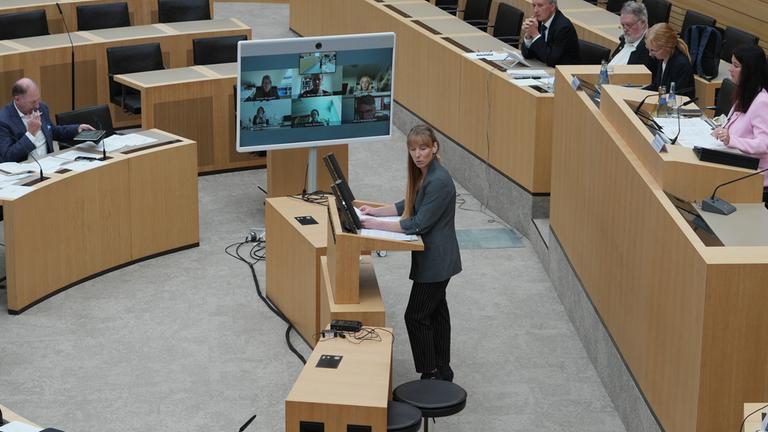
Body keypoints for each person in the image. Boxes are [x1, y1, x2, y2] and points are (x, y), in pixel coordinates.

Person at [359, 125, 462, 382]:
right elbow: (408, 205)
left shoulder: (438, 180)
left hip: (437, 261)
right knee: (436, 312)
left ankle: (430, 374)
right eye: (413, 149)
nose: (418, 154)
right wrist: (375, 211)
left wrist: (374, 226)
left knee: (415, 316)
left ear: (435, 147)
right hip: (434, 260)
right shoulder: (425, 174)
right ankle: (442, 369)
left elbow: (418, 223)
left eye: (423, 148)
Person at [711, 45, 768, 207]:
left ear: (750, 70)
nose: (730, 70)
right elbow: (732, 126)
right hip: (734, 164)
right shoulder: (744, 94)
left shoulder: (762, 101)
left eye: (736, 66)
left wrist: (731, 139)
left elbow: (764, 144)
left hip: (753, 176)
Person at [0, 78, 94, 163]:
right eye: (33, 102)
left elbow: (51, 131)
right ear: (17, 99)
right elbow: (8, 156)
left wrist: (77, 129)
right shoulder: (3, 121)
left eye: (38, 100)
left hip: (49, 163)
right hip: (24, 170)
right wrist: (31, 134)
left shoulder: (42, 107)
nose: (37, 106)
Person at [643, 23, 695, 98]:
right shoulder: (663, 57)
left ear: (667, 47)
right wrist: (638, 92)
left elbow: (676, 96)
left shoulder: (681, 65)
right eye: (649, 49)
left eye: (653, 50)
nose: (650, 54)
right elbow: (657, 86)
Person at [521, 0, 580, 66]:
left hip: (562, 72)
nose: (535, 10)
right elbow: (527, 55)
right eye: (534, 5)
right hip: (544, 68)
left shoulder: (563, 27)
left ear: (552, 6)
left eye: (540, 6)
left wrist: (535, 34)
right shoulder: (538, 21)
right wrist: (528, 36)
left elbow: (551, 60)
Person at [609, 2, 654, 72]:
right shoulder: (627, 38)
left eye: (629, 25)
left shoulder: (648, 49)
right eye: (623, 25)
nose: (625, 30)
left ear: (642, 23)